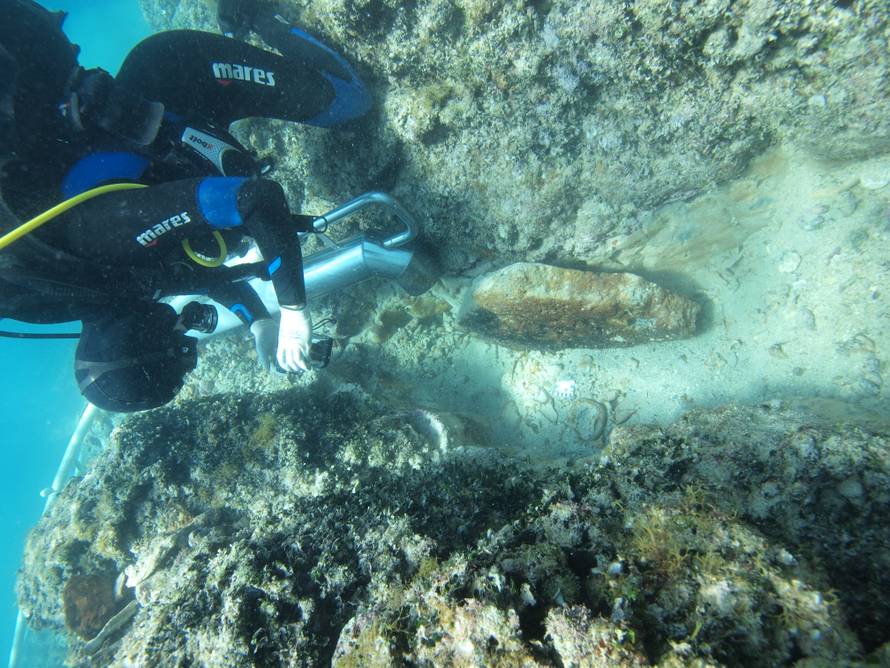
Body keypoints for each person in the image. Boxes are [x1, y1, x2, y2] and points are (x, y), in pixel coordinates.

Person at [0, 0, 372, 411]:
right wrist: (260, 323)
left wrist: (294, 311)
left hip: (177, 76)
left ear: (147, 342)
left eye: (182, 348)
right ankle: (235, 23)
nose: (190, 334)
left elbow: (256, 199)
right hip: (185, 131)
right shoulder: (112, 290)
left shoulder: (103, 239)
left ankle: (252, 13)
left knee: (347, 100)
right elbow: (200, 278)